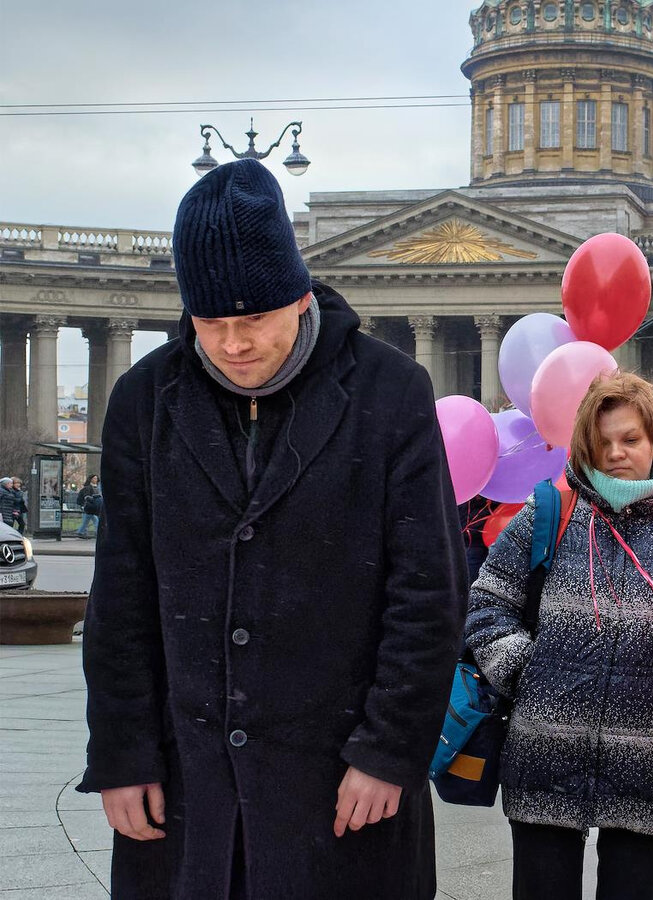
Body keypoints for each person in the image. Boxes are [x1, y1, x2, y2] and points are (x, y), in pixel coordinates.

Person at [79, 158, 467, 899]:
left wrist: (388, 751)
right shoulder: (143, 400)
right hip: (187, 783)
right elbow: (120, 597)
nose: (232, 344)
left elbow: (428, 593)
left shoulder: (391, 391)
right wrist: (123, 754)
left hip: (343, 782)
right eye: (211, 323)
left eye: (253, 318)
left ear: (297, 295)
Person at [465, 372, 653, 900]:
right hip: (545, 754)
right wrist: (523, 669)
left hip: (647, 762)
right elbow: (487, 601)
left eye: (630, 439)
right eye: (602, 441)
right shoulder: (550, 510)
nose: (616, 453)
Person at [75, 473, 101, 538]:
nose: (96, 479)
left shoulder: (97, 487)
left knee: (86, 522)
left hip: (92, 507)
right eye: (94, 478)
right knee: (95, 521)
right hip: (89, 507)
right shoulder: (88, 488)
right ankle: (98, 533)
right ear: (91, 479)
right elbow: (86, 497)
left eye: (96, 478)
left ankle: (81, 532)